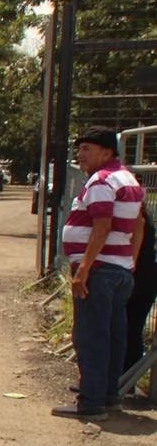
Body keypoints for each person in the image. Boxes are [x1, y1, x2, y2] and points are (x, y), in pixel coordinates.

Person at [53, 127, 144, 420]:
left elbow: (101, 227)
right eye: (79, 149)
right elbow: (139, 225)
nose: (80, 156)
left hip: (99, 270)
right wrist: (130, 262)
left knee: (91, 336)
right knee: (114, 335)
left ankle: (90, 403)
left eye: (87, 149)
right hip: (118, 269)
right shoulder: (128, 178)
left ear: (107, 152)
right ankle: (108, 395)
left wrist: (84, 270)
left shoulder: (102, 181)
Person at [123, 204, 157, 378]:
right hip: (143, 282)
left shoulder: (137, 219)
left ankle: (126, 379)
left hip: (139, 283)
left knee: (129, 331)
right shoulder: (143, 218)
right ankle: (127, 380)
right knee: (131, 330)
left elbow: (133, 258)